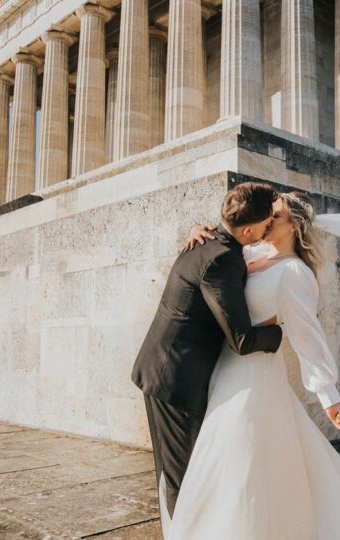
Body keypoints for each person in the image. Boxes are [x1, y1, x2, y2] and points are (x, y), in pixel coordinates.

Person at [165, 192, 340, 539]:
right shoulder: (254, 252)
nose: (266, 219)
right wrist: (199, 232)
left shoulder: (295, 273)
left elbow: (309, 338)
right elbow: (221, 258)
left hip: (253, 376)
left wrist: (330, 399)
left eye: (275, 215)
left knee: (240, 465)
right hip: (223, 370)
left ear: (296, 224)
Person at [130, 182, 286, 520]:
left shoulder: (210, 239)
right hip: (174, 379)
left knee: (177, 475)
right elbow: (241, 340)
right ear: (247, 229)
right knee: (184, 479)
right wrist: (280, 333)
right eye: (266, 222)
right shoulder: (222, 259)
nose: (270, 225)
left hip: (166, 371)